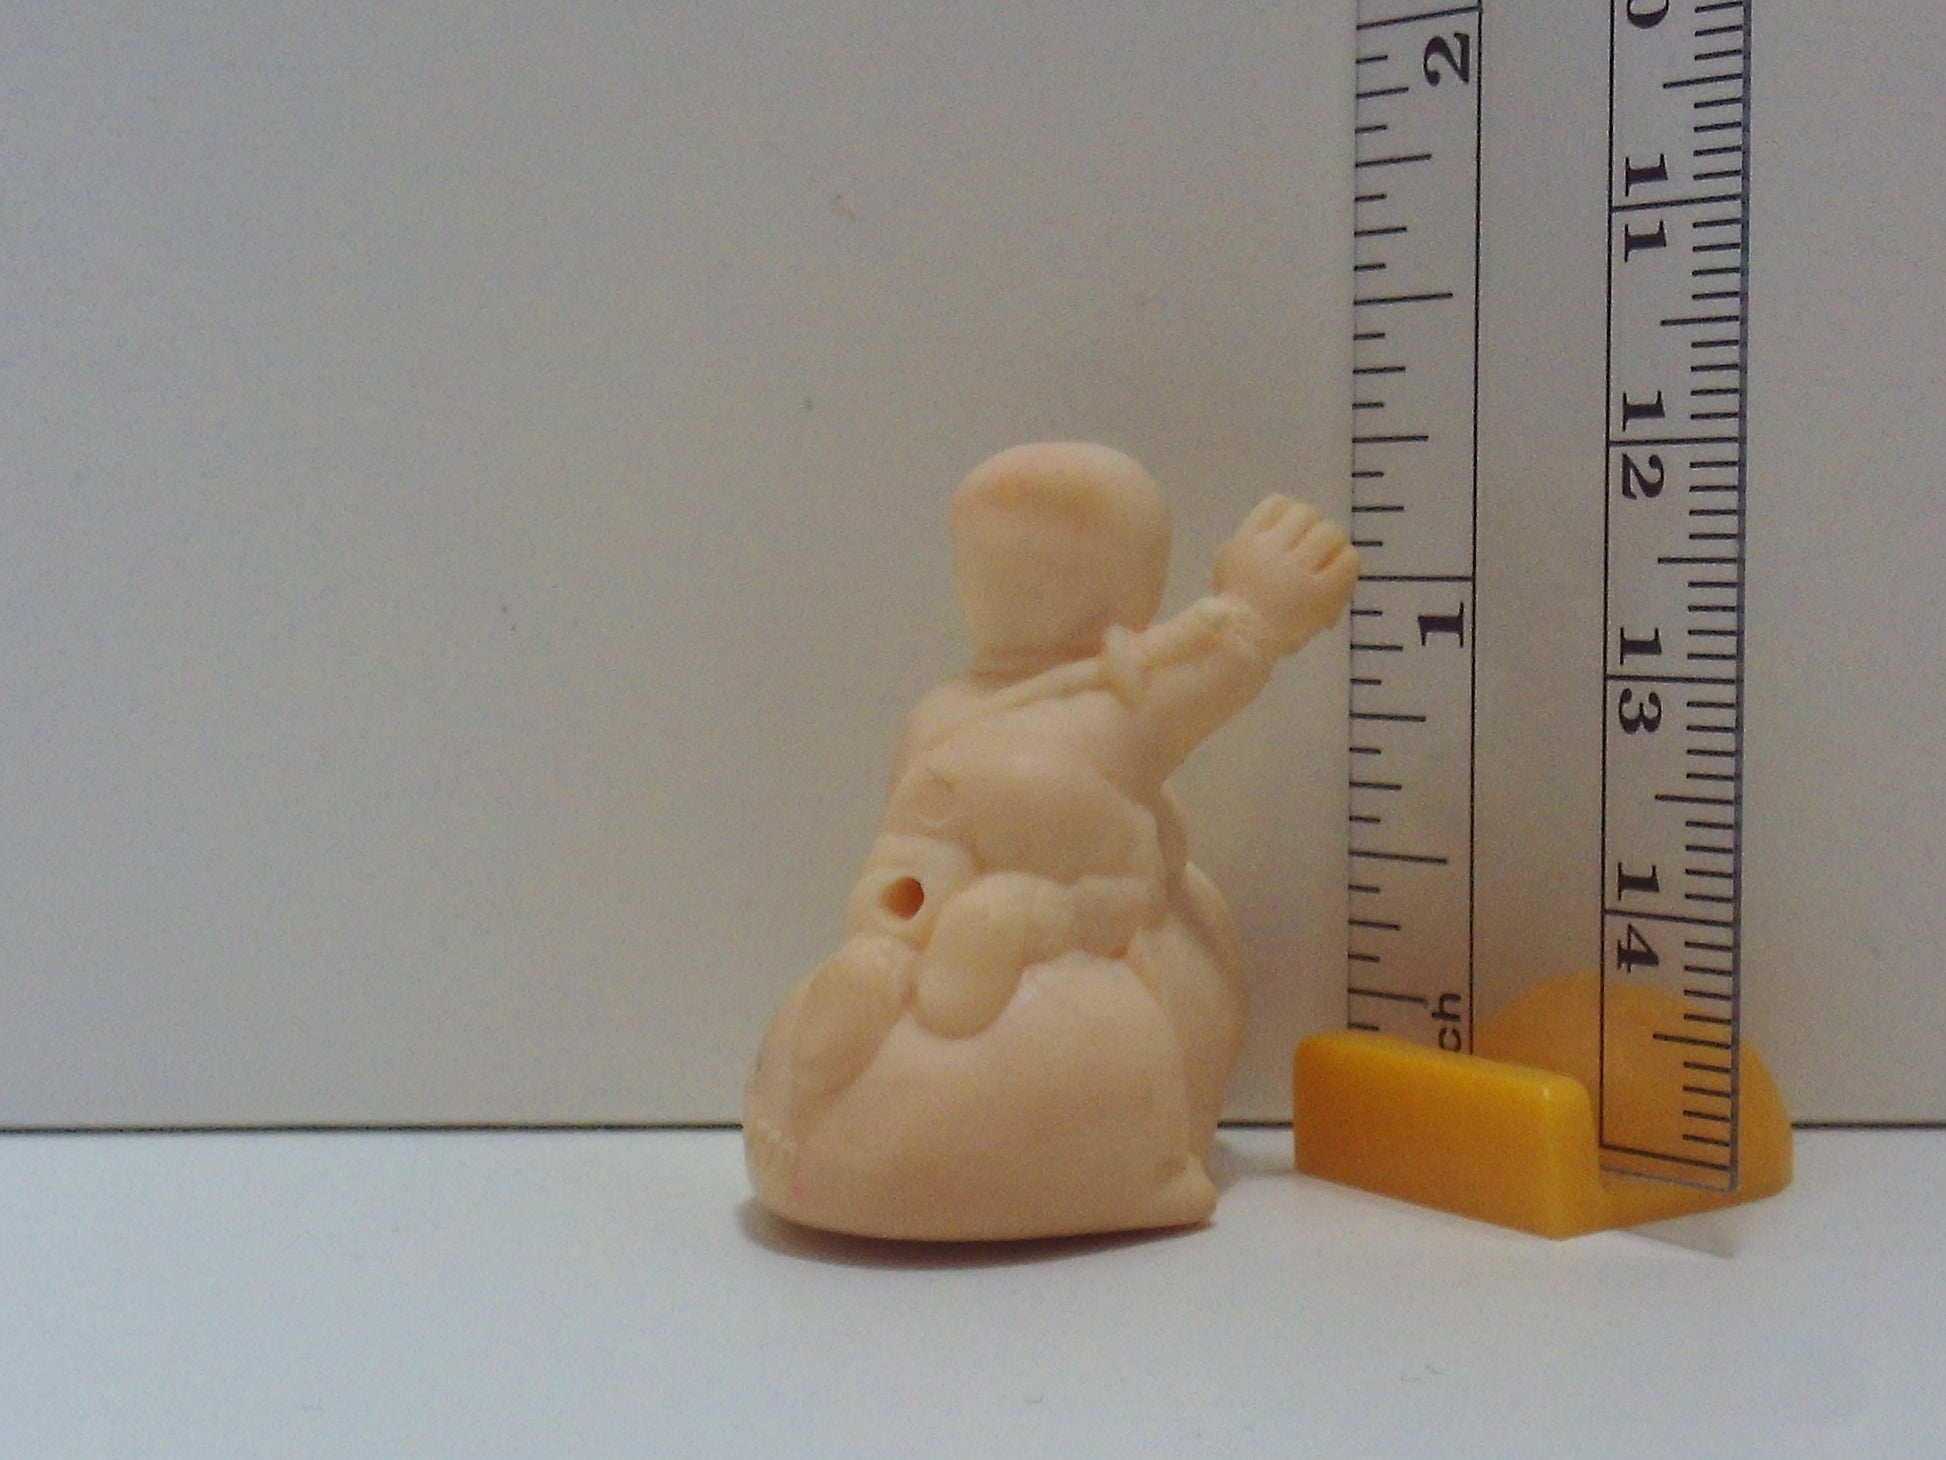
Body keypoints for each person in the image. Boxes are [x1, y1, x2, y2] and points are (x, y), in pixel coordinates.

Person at [746, 443, 1357, 1240]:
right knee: (897, 951)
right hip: (952, 900)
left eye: (1032, 564)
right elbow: (907, 839)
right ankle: (860, 1019)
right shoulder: (959, 708)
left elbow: (1217, 664)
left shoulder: (1114, 693)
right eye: (984, 561)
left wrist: (1254, 609)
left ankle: (946, 1006)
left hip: (1079, 911)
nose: (1002, 584)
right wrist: (900, 898)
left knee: (982, 932)